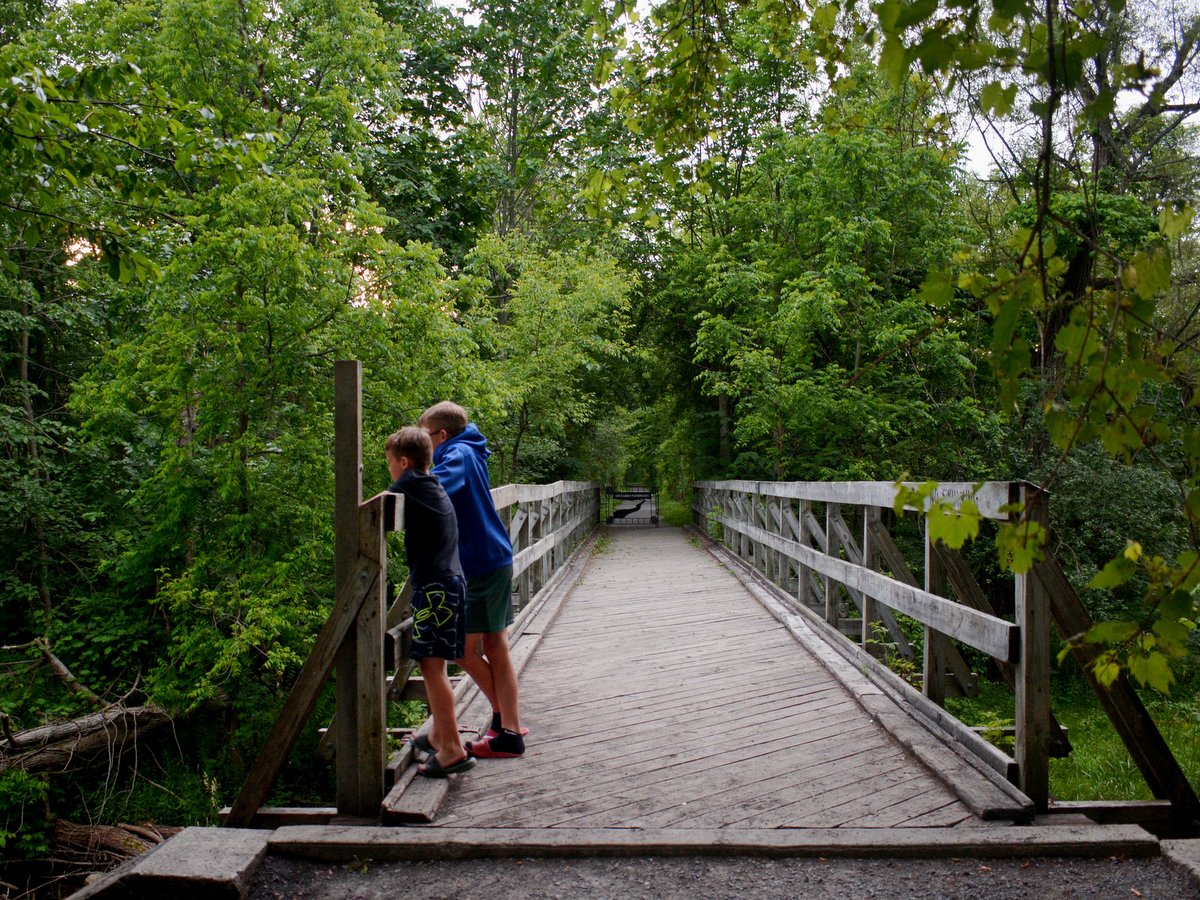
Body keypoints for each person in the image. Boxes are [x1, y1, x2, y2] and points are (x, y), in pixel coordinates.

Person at [419, 401, 526, 758]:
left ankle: (508, 726)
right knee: (494, 647)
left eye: (425, 437)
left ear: (442, 435)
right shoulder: (470, 448)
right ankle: (507, 724)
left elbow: (437, 487)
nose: (425, 444)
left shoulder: (459, 454)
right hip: (490, 557)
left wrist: (405, 483)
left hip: (481, 563)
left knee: (464, 650)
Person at [385, 426, 475, 778]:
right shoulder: (431, 483)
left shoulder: (409, 484)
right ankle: (438, 734)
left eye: (391, 464)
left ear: (404, 462)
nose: (390, 471)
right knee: (435, 664)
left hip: (436, 587)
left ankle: (452, 748)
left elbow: (374, 507)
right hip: (451, 583)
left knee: (431, 667)